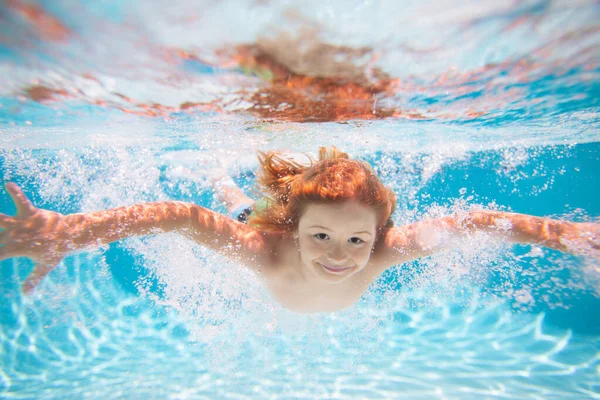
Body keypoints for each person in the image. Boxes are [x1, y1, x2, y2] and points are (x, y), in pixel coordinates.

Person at [0, 147, 598, 313]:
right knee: (237, 212)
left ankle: (234, 192)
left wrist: (567, 235)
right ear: (294, 230)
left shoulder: (387, 250)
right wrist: (67, 231)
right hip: (258, 228)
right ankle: (228, 185)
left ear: (380, 234)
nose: (340, 257)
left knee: (242, 208)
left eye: (356, 240)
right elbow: (173, 215)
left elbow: (472, 223)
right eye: (320, 237)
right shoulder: (266, 248)